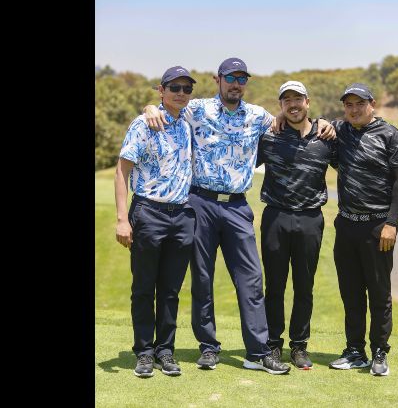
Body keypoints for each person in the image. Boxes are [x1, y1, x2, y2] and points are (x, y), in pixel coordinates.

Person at [143, 57, 336, 375]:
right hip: (200, 202)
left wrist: (323, 122)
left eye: (242, 79)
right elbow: (168, 107)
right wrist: (150, 107)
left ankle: (258, 352)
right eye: (230, 78)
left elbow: (294, 119)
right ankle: (208, 347)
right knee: (202, 279)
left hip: (237, 206)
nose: (236, 84)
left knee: (251, 279)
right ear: (217, 79)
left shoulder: (258, 116)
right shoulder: (197, 109)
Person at [114, 66, 197, 378]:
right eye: (174, 87)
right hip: (148, 212)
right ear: (161, 91)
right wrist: (122, 219)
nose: (181, 93)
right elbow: (122, 171)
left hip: (182, 214)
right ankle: (144, 352)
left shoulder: (188, 121)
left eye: (186, 88)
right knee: (144, 288)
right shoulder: (143, 123)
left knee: (171, 290)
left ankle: (165, 351)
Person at [326, 83, 398, 377]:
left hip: (377, 227)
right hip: (346, 224)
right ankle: (355, 351)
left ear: (372, 104)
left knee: (379, 293)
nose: (354, 109)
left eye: (359, 104)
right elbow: (314, 124)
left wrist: (391, 223)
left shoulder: (390, 135)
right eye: (348, 105)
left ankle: (379, 351)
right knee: (351, 293)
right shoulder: (340, 131)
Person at [256, 81, 337, 370]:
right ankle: (273, 344)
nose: (293, 104)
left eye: (298, 99)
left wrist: (327, 121)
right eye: (286, 100)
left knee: (304, 285)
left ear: (307, 102)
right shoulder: (269, 137)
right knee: (274, 286)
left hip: (310, 218)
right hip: (276, 217)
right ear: (280, 105)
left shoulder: (327, 136)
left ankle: (299, 345)